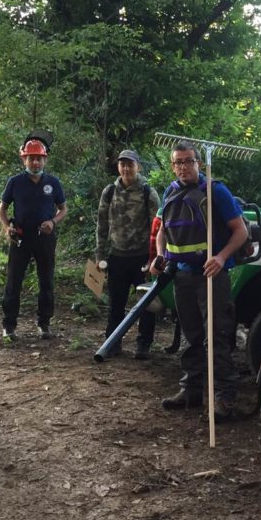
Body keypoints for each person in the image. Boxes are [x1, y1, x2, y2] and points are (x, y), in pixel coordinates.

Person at [150, 140, 248, 420]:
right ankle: (190, 390)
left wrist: (220, 257)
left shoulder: (215, 191)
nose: (183, 167)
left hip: (211, 276)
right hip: (182, 274)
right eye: (178, 162)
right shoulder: (170, 192)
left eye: (188, 161)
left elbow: (239, 231)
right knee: (191, 335)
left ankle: (224, 399)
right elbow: (161, 232)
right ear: (173, 165)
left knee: (215, 337)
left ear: (198, 163)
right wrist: (160, 256)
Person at [0, 137, 67, 343]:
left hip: (44, 237)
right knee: (14, 281)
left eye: (39, 158)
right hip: (20, 236)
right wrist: (6, 226)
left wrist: (53, 222)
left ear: (45, 160)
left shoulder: (53, 182)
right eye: (31, 159)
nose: (35, 162)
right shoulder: (15, 182)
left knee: (46, 280)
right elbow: (2, 208)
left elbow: (63, 209)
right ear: (24, 160)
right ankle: (9, 325)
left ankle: (44, 323)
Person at [96, 149, 160, 359]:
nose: (126, 168)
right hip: (117, 256)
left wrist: (156, 257)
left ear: (137, 167)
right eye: (122, 165)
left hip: (142, 257)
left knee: (146, 304)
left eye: (130, 164)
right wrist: (100, 255)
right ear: (118, 168)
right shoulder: (109, 192)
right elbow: (102, 225)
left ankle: (144, 344)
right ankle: (113, 342)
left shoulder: (147, 192)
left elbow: (158, 227)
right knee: (116, 303)